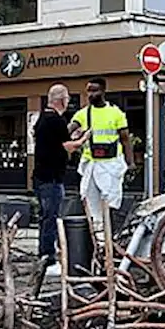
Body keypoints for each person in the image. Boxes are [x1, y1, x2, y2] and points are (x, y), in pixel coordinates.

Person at [35, 84, 90, 273]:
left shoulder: (43, 118)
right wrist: (83, 140)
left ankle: (44, 253)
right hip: (52, 178)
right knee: (51, 217)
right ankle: (48, 259)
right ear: (61, 100)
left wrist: (73, 137)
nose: (68, 102)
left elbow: (57, 142)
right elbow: (66, 146)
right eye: (67, 98)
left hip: (41, 176)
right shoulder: (56, 120)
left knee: (45, 218)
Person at [69, 77, 132, 229]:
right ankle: (98, 237)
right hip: (91, 164)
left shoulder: (116, 113)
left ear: (103, 91)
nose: (91, 94)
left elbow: (125, 139)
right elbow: (69, 129)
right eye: (89, 91)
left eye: (94, 90)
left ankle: (111, 235)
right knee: (90, 204)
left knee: (111, 203)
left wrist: (130, 162)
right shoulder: (83, 114)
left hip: (111, 164)